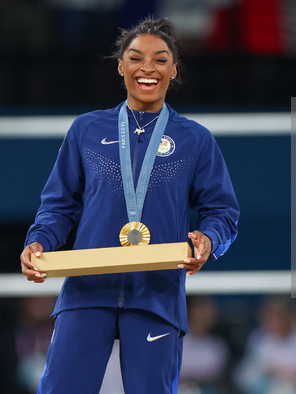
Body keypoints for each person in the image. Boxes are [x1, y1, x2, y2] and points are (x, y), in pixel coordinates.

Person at [19, 17, 239, 394]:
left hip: (156, 293)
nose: (147, 68)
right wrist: (39, 242)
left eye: (160, 59)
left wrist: (208, 239)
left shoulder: (195, 140)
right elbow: (58, 205)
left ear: (174, 68)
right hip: (87, 289)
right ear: (121, 66)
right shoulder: (87, 130)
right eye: (136, 57)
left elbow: (223, 212)